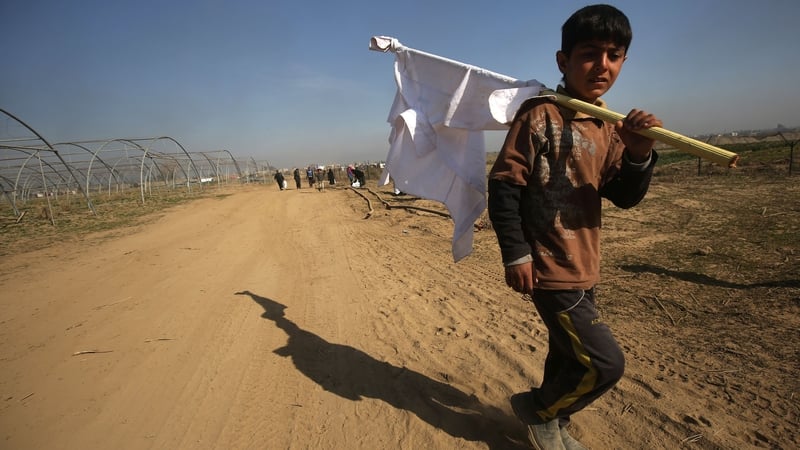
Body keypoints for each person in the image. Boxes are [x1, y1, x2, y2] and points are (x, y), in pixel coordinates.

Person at [487, 5, 662, 449]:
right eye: (589, 53)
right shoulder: (539, 115)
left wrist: (639, 152)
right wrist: (517, 253)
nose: (602, 65)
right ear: (563, 60)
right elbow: (505, 187)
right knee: (605, 364)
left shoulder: (609, 127)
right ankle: (539, 411)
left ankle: (552, 422)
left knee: (568, 354)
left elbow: (623, 194)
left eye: (614, 55)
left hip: (585, 266)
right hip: (549, 268)